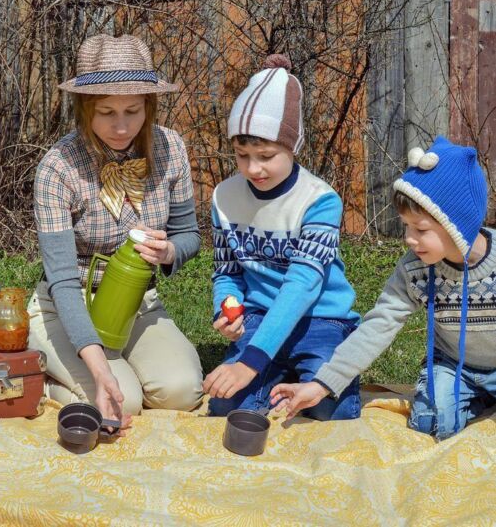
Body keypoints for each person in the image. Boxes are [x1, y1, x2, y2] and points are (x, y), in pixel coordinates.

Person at [28, 34, 204, 424]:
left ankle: (114, 366)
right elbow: (61, 280)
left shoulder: (171, 148)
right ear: (84, 108)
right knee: (122, 402)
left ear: (150, 106)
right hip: (67, 305)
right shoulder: (58, 167)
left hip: (138, 305)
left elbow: (190, 235)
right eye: (106, 112)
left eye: (133, 110)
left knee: (182, 391)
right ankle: (44, 376)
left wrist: (170, 252)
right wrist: (98, 366)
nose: (121, 126)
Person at [270, 136, 494, 440]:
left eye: (421, 229)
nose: (409, 239)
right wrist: (322, 383)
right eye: (406, 226)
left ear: (458, 224)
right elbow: (379, 324)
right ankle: (469, 399)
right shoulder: (415, 268)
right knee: (431, 424)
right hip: (453, 365)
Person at [203, 54, 361, 421]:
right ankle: (281, 371)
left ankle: (306, 368)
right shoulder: (224, 198)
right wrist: (226, 309)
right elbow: (227, 272)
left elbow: (302, 286)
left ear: (293, 147)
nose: (253, 168)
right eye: (242, 155)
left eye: (266, 155)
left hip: (321, 319)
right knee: (228, 408)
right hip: (259, 316)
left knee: (329, 409)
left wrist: (251, 362)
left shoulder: (319, 201)